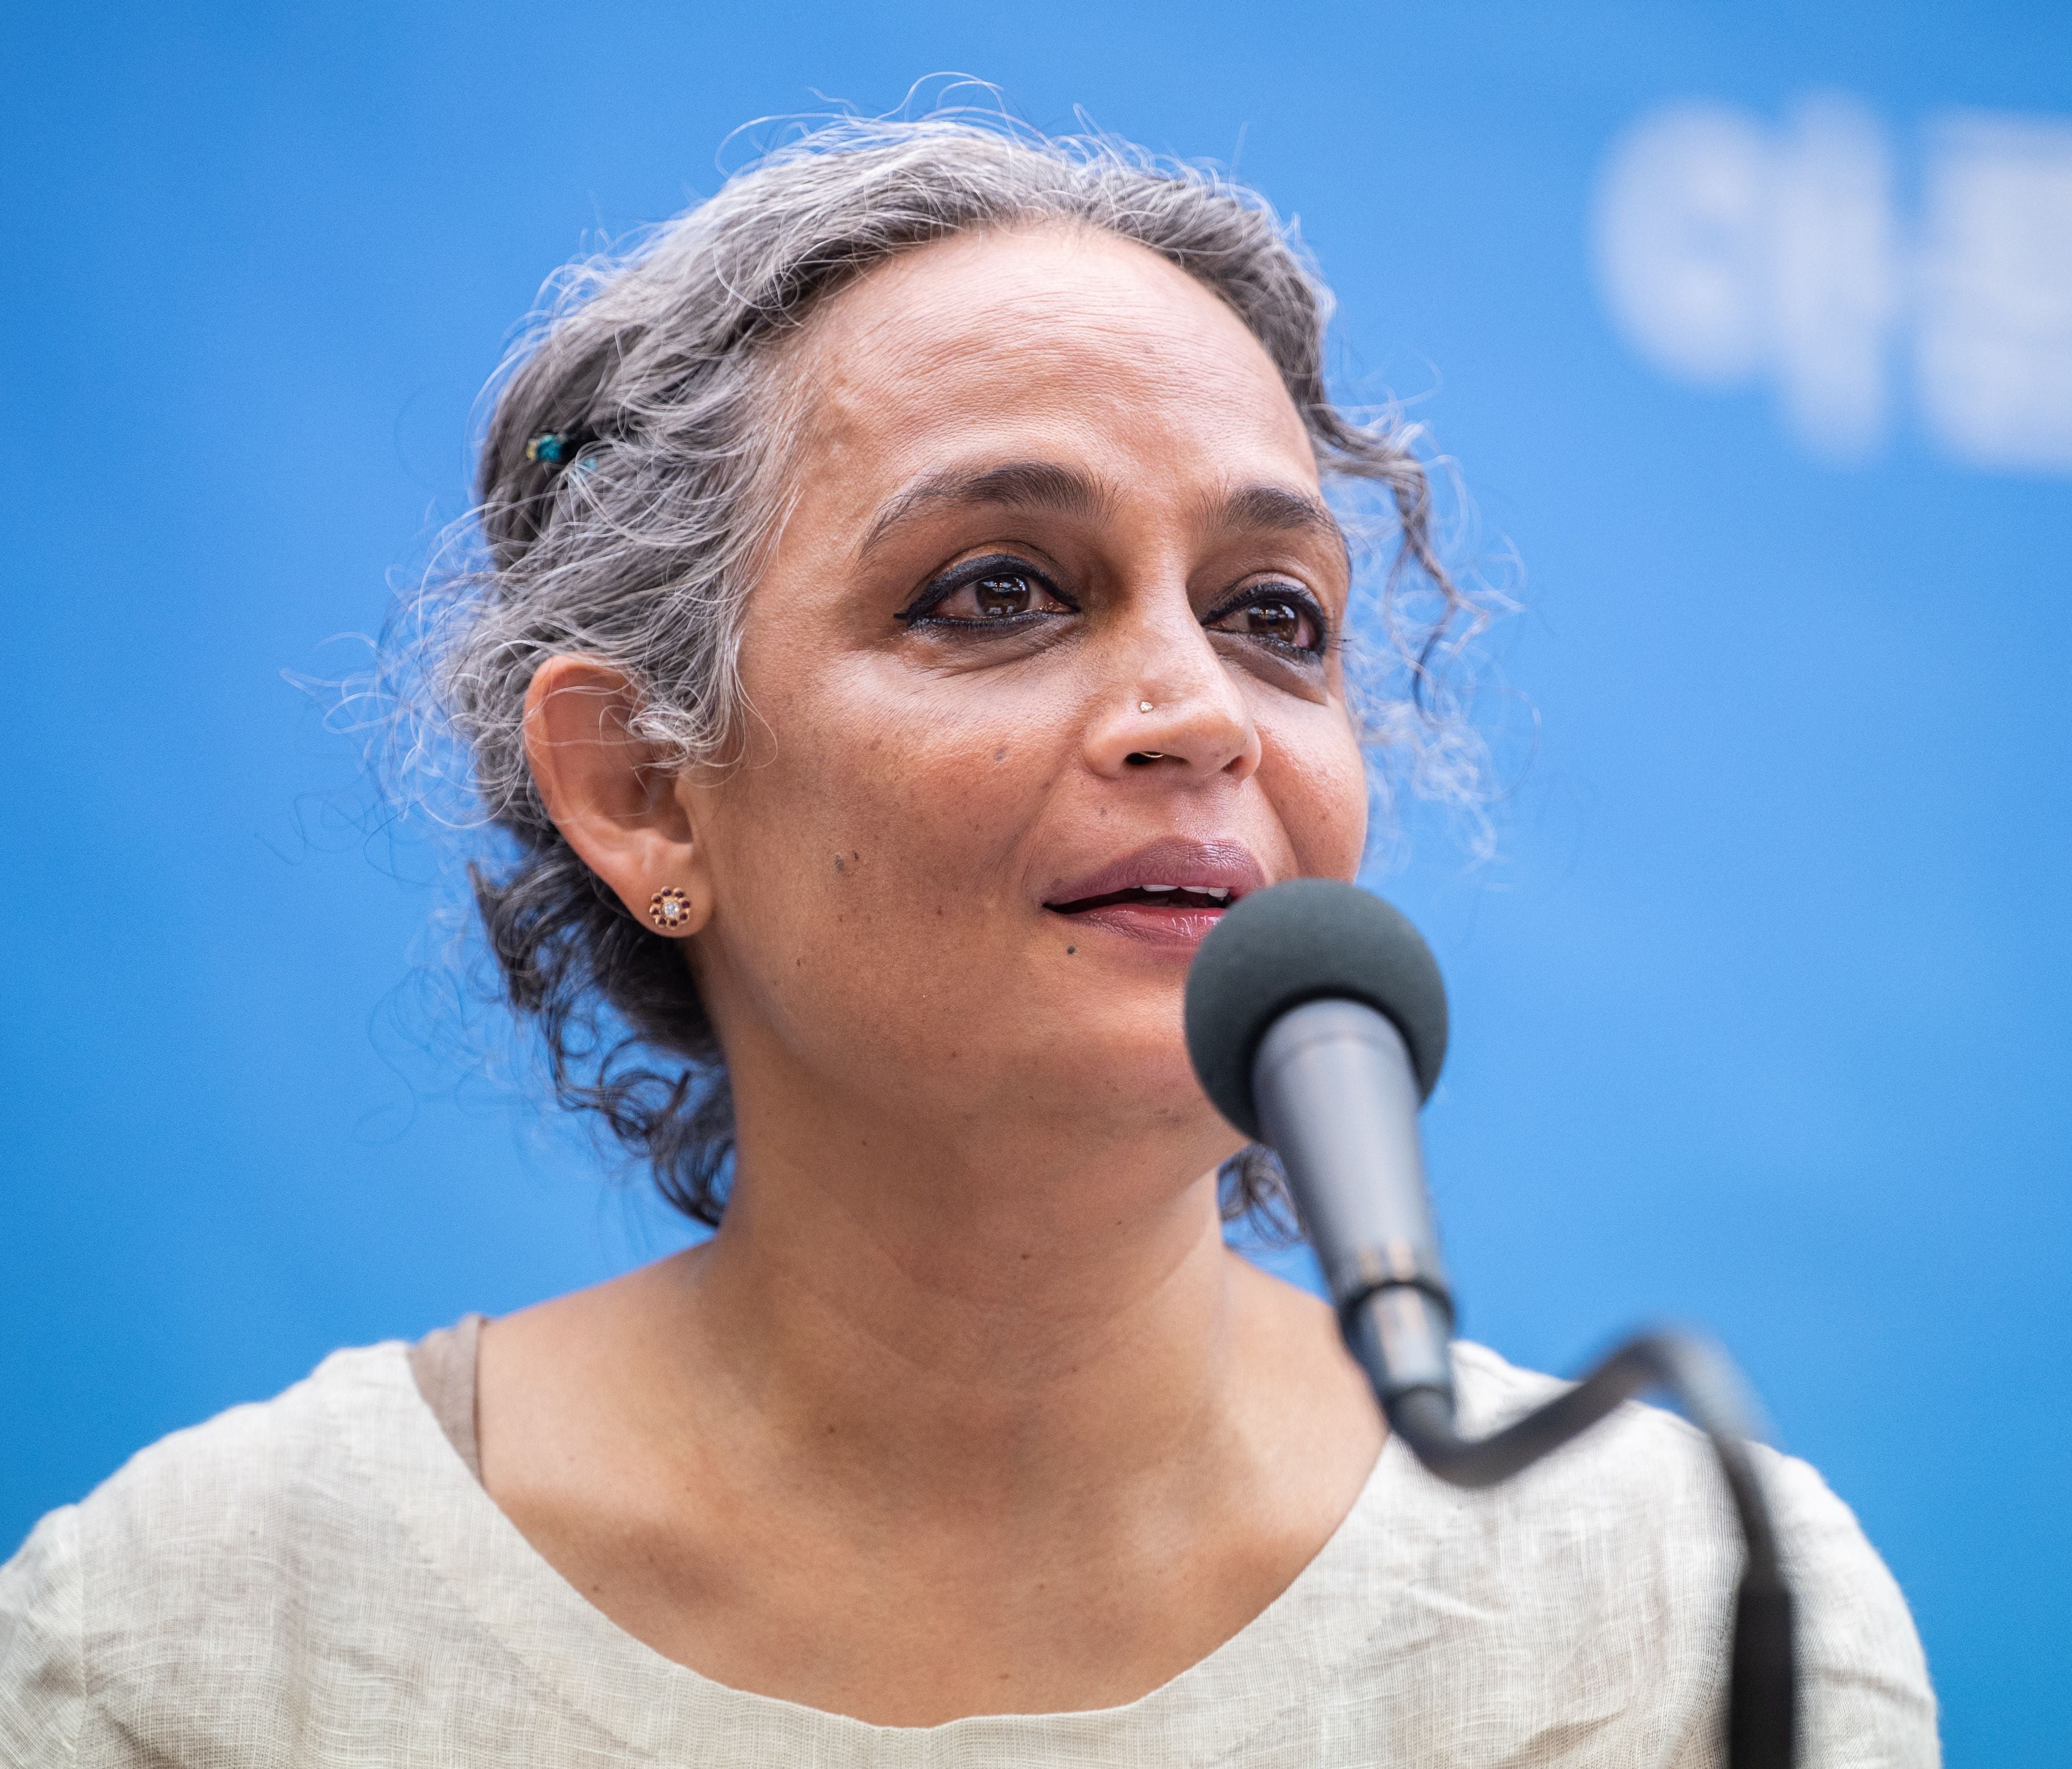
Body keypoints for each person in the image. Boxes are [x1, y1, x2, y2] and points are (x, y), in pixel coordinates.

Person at [0, 116, 1937, 1766]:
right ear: (646, 791)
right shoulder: (198, 1640)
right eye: (998, 590)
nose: (1200, 714)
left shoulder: (1683, 1617)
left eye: (1276, 614)